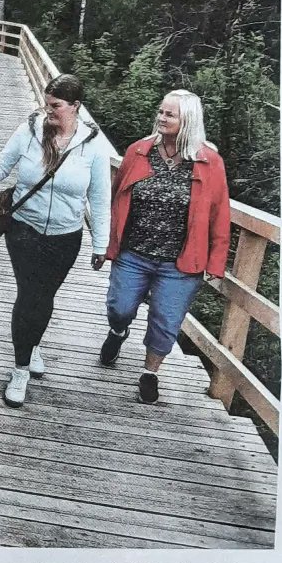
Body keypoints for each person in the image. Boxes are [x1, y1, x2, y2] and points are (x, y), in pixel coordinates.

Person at [0, 74, 110, 407]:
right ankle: (20, 370)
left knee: (43, 299)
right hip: (24, 230)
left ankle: (32, 345)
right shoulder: (30, 129)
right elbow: (4, 162)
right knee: (29, 296)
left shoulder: (93, 146)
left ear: (75, 106)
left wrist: (101, 245)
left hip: (65, 237)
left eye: (56, 106)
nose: (49, 111)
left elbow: (100, 199)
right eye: (47, 104)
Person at [98, 89, 230, 404]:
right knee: (120, 308)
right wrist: (106, 243)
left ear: (188, 121)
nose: (161, 118)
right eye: (161, 111)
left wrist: (215, 263)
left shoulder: (209, 162)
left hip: (181, 262)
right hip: (134, 253)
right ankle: (118, 331)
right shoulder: (139, 151)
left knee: (166, 319)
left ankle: (150, 373)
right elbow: (115, 198)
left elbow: (220, 214)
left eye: (169, 114)